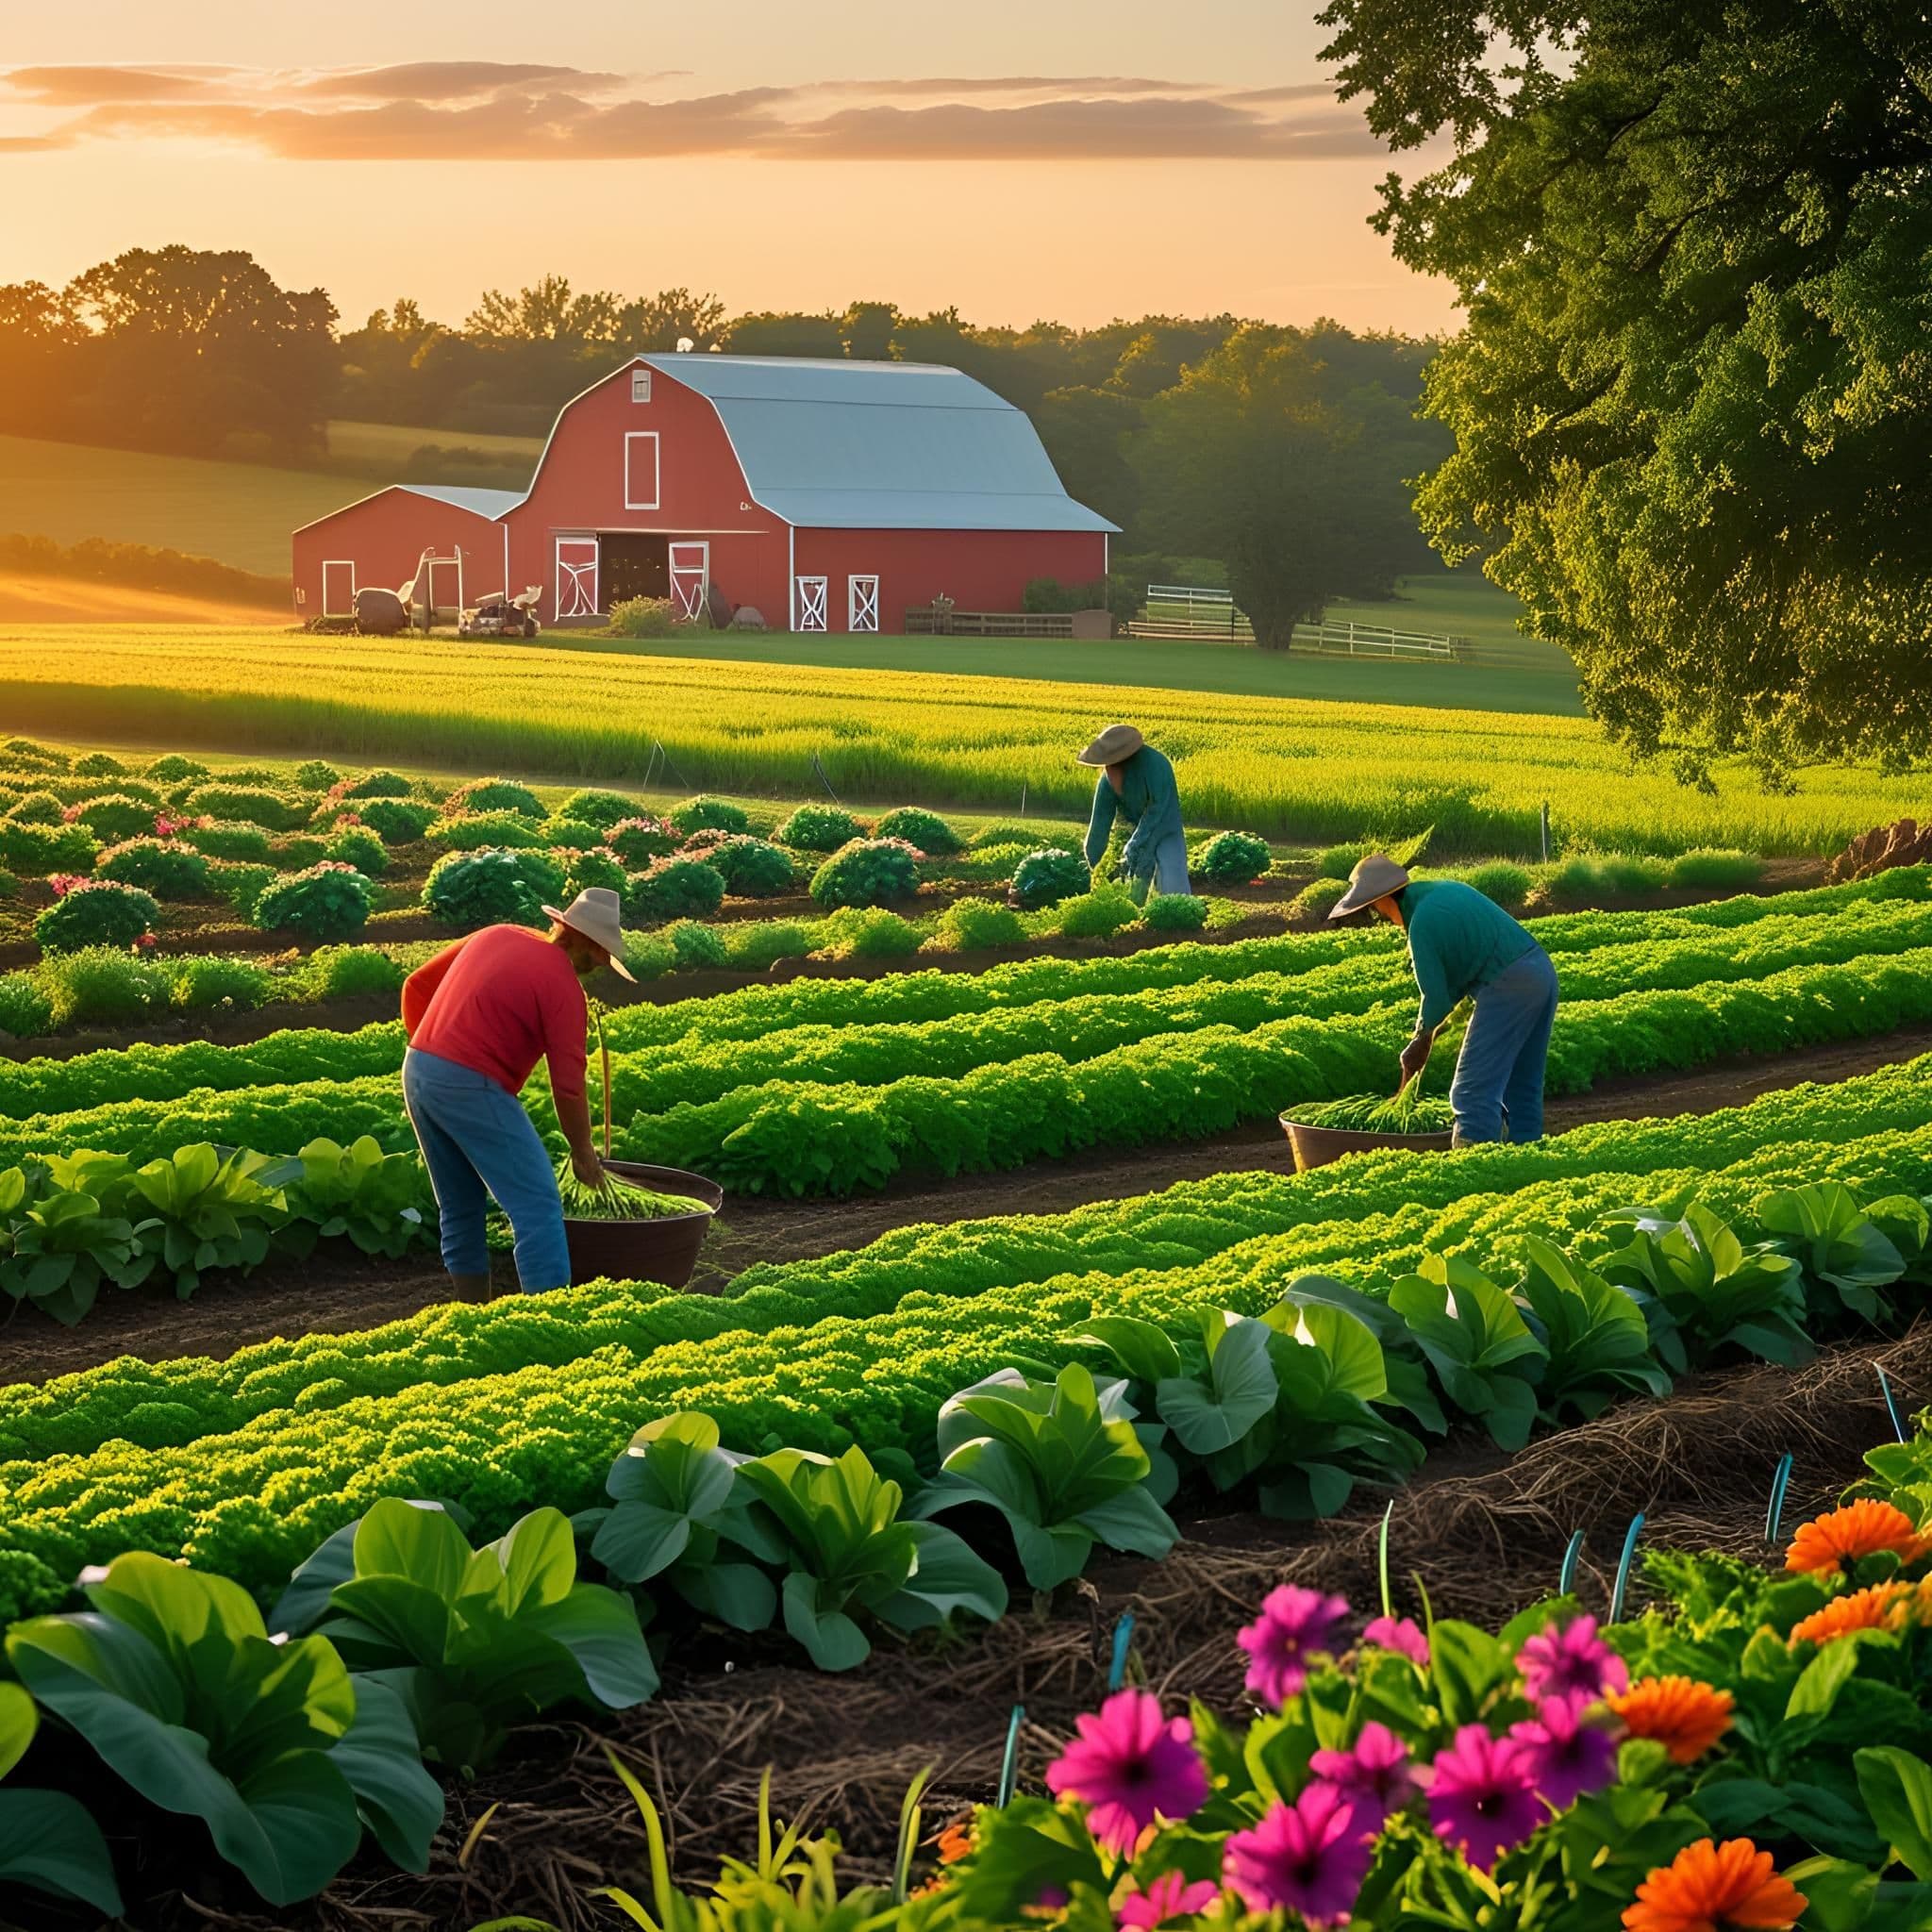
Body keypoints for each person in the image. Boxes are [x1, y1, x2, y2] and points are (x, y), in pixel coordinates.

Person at [399, 886, 635, 1296]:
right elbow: (568, 1087)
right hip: (469, 1083)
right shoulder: (564, 989)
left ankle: (473, 1312)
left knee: (460, 1204)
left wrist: (439, 1048)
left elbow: (417, 986)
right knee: (538, 1206)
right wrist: (583, 1152)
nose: (600, 962)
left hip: (418, 1069)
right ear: (586, 943)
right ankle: (549, 1316)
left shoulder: (498, 935)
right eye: (600, 952)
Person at [1328, 854, 1558, 1145]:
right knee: (1520, 1087)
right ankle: (1524, 1163)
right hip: (1540, 973)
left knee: (1471, 1094)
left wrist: (1419, 1042)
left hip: (1509, 984)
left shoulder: (1422, 921)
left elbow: (1436, 1000)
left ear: (1385, 898)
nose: (1381, 916)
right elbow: (1461, 973)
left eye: (1376, 908)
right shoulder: (1443, 891)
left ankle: (1476, 1168)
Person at [1077, 722, 1188, 905]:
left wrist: (1135, 843)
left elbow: (1157, 810)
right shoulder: (1106, 784)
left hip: (1166, 824)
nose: (1108, 771)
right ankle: (1137, 915)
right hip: (1135, 825)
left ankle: (1176, 913)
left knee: (1171, 878)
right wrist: (1096, 866)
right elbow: (1099, 825)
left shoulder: (1157, 766)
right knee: (1136, 878)